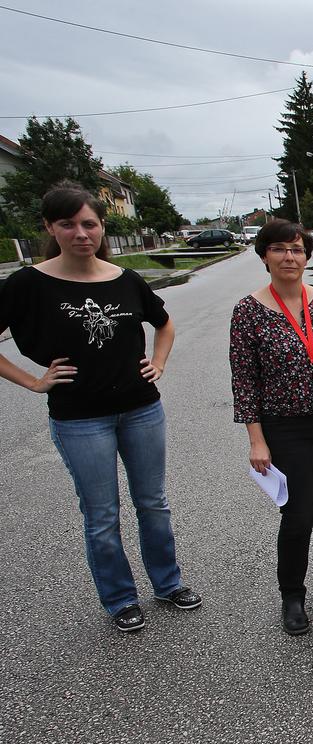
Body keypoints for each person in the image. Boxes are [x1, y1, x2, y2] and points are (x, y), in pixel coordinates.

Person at [0, 181, 201, 633]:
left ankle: (168, 583)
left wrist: (159, 363)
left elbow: (165, 324)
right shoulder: (28, 284)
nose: (80, 233)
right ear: (50, 227)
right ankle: (120, 598)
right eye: (68, 224)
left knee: (153, 503)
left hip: (141, 410)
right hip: (79, 419)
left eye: (89, 224)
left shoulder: (126, 280)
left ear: (102, 226)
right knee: (102, 514)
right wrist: (34, 381)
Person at [229, 219, 313, 635]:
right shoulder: (248, 312)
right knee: (298, 512)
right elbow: (244, 382)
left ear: (307, 257)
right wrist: (256, 440)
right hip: (285, 426)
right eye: (279, 249)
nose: (289, 257)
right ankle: (292, 595)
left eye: (296, 249)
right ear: (264, 256)